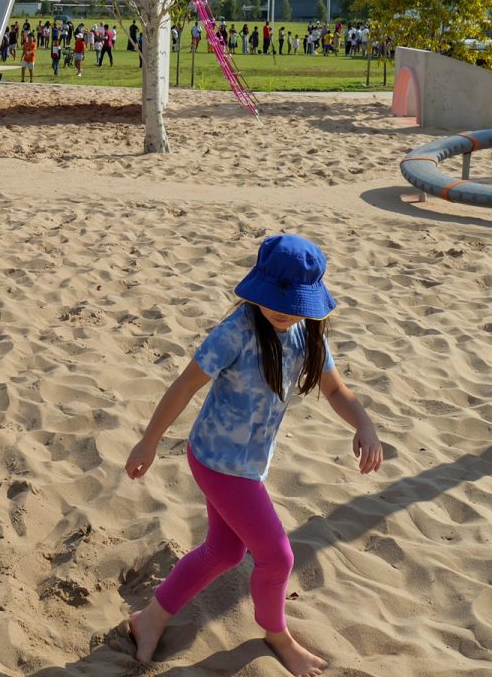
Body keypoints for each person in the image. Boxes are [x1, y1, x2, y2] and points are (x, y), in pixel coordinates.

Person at [124, 235, 384, 675]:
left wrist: (364, 424)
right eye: (275, 299)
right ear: (258, 288)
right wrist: (149, 439)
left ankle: (149, 618)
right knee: (278, 556)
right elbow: (186, 385)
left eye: (295, 302)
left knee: (223, 553)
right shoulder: (237, 331)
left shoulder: (306, 334)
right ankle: (276, 634)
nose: (283, 310)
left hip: (248, 464)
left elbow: (336, 389)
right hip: (217, 462)